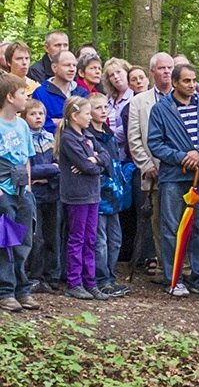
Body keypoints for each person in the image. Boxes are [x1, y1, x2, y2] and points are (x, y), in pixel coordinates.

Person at [147, 63, 199, 299]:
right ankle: (174, 278)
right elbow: (155, 143)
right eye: (186, 81)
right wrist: (181, 157)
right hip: (173, 177)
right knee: (171, 228)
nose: (191, 85)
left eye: (194, 81)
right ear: (176, 83)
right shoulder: (161, 109)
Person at [55, 95, 111, 300]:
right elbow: (87, 167)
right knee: (77, 239)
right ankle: (74, 282)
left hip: (92, 194)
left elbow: (106, 156)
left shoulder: (88, 135)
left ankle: (90, 282)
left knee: (91, 239)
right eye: (87, 113)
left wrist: (94, 159)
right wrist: (93, 163)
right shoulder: (69, 138)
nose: (91, 117)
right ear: (74, 116)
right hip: (76, 195)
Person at [127, 52, 174, 282]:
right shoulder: (139, 101)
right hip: (153, 173)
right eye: (162, 68)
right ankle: (165, 268)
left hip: (181, 173)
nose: (166, 72)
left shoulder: (184, 98)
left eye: (169, 68)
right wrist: (146, 165)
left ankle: (182, 268)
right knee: (157, 222)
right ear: (152, 71)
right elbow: (134, 138)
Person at [0, 74, 39, 312]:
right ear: (9, 97)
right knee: (5, 241)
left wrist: (29, 188)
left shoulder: (22, 125)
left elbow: (26, 159)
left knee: (23, 240)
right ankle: (6, 291)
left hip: (22, 190)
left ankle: (22, 288)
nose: (26, 97)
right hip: (3, 191)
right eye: (22, 93)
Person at [89, 94, 129, 297]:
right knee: (100, 239)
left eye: (105, 107)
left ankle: (111, 276)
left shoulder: (109, 134)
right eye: (98, 108)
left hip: (114, 194)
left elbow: (111, 162)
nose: (103, 111)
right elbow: (96, 162)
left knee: (115, 239)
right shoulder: (88, 136)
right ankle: (101, 278)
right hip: (97, 192)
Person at [23, 98, 60, 294]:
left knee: (52, 235)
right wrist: (48, 170)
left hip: (52, 193)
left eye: (41, 114)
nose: (38, 117)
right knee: (36, 236)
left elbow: (59, 165)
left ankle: (51, 275)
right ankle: (35, 276)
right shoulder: (24, 137)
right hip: (35, 194)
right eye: (33, 114)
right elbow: (30, 170)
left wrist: (48, 174)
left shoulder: (50, 138)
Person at [31, 50, 88, 134]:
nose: (72, 69)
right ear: (54, 67)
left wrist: (59, 122)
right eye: (67, 65)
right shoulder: (41, 93)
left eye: (74, 65)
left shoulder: (81, 92)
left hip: (80, 142)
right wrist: (74, 122)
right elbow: (41, 124)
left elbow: (88, 121)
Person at [103, 58, 133, 161]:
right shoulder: (107, 99)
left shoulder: (134, 97)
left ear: (127, 72)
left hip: (126, 154)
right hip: (108, 153)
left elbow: (127, 127)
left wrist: (106, 139)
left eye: (118, 72)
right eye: (111, 75)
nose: (116, 77)